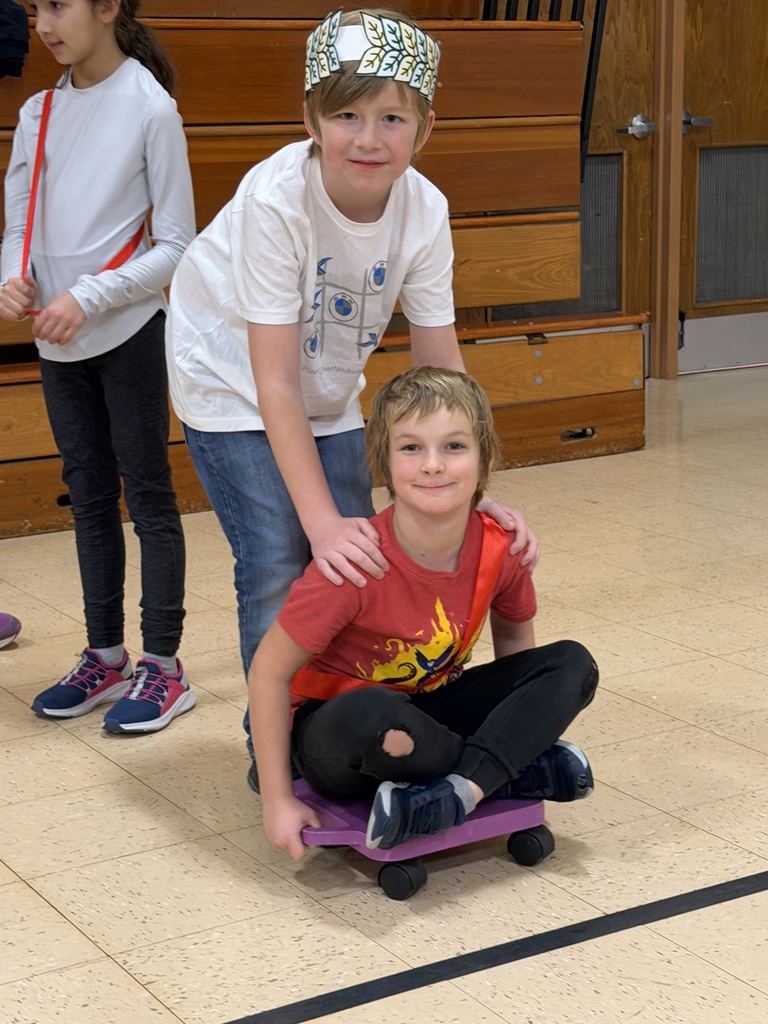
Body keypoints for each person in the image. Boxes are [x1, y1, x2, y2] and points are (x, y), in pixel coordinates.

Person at [165, 8, 539, 762]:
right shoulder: (276, 202)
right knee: (282, 550)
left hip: (327, 386)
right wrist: (321, 522)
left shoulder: (425, 210)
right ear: (311, 119)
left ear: (424, 130)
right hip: (229, 382)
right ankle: (276, 744)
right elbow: (272, 382)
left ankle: (353, 720)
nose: (368, 138)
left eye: (392, 117)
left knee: (358, 556)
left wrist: (475, 486)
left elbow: (440, 369)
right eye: (346, 114)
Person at [249, 367, 599, 861]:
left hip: (430, 710)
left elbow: (517, 652)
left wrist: (523, 711)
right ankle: (502, 770)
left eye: (454, 446)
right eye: (411, 448)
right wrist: (278, 800)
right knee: (374, 716)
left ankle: (463, 791)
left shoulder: (503, 549)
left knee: (571, 663)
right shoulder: (354, 562)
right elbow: (268, 672)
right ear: (384, 465)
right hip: (340, 732)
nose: (433, 465)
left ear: (486, 459)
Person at [0, 0, 196, 733]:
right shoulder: (38, 110)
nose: (44, 23)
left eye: (59, 4)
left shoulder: (150, 108)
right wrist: (11, 275)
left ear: (108, 6)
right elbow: (20, 219)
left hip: (129, 335)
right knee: (86, 496)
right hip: (58, 340)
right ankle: (105, 655)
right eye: (35, 8)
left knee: (148, 497)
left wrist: (90, 295)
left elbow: (176, 244)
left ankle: (165, 668)